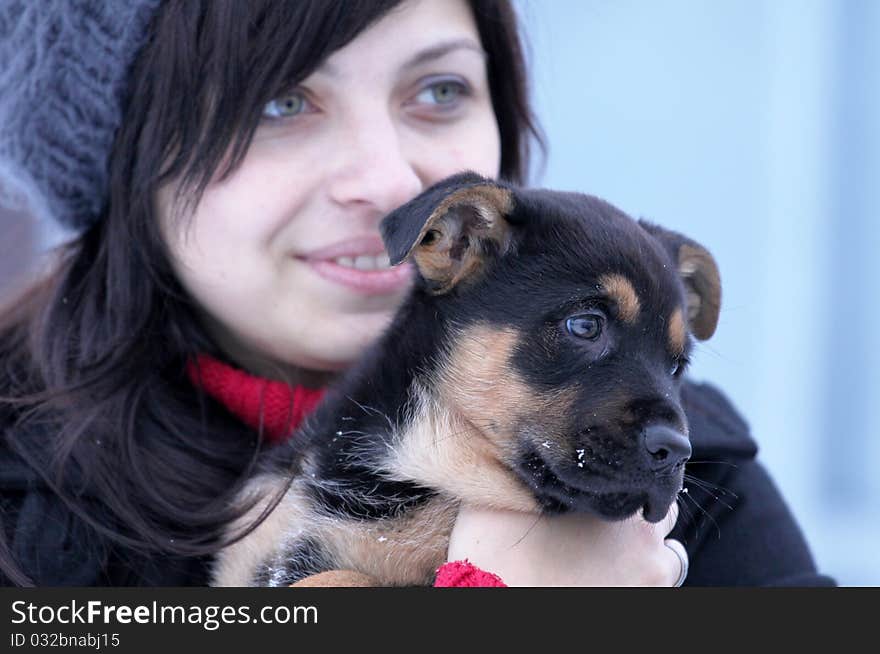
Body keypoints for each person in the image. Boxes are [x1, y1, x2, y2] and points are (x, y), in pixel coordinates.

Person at [0, 0, 833, 587]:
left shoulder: (685, 474)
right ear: (125, 160)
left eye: (440, 91)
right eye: (281, 102)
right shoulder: (25, 501)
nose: (389, 177)